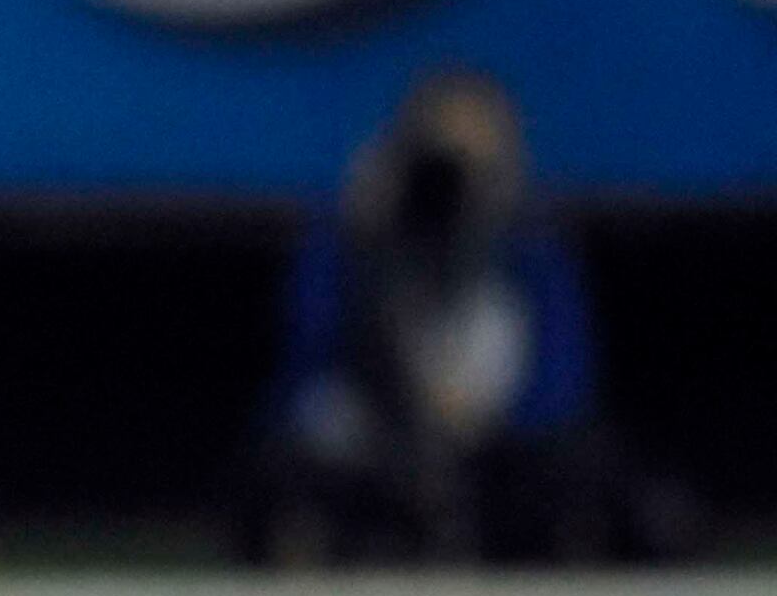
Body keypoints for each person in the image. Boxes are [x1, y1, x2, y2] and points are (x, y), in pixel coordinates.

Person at [243, 71, 690, 567]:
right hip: (376, 438)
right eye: (441, 157)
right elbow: (310, 353)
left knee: (592, 468)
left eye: (478, 160)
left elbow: (567, 377)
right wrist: (358, 237)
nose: (454, 181)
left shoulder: (532, 245)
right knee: (293, 458)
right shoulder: (358, 235)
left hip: (506, 445)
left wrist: (480, 421)